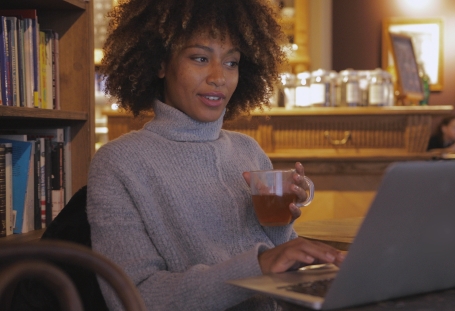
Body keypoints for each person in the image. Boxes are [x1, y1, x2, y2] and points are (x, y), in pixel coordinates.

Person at [88, 0, 345, 310]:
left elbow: (278, 274)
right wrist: (259, 265)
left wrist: (281, 231)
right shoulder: (119, 163)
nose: (218, 77)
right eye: (200, 58)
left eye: (231, 62)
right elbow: (135, 298)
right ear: (159, 63)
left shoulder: (248, 151)